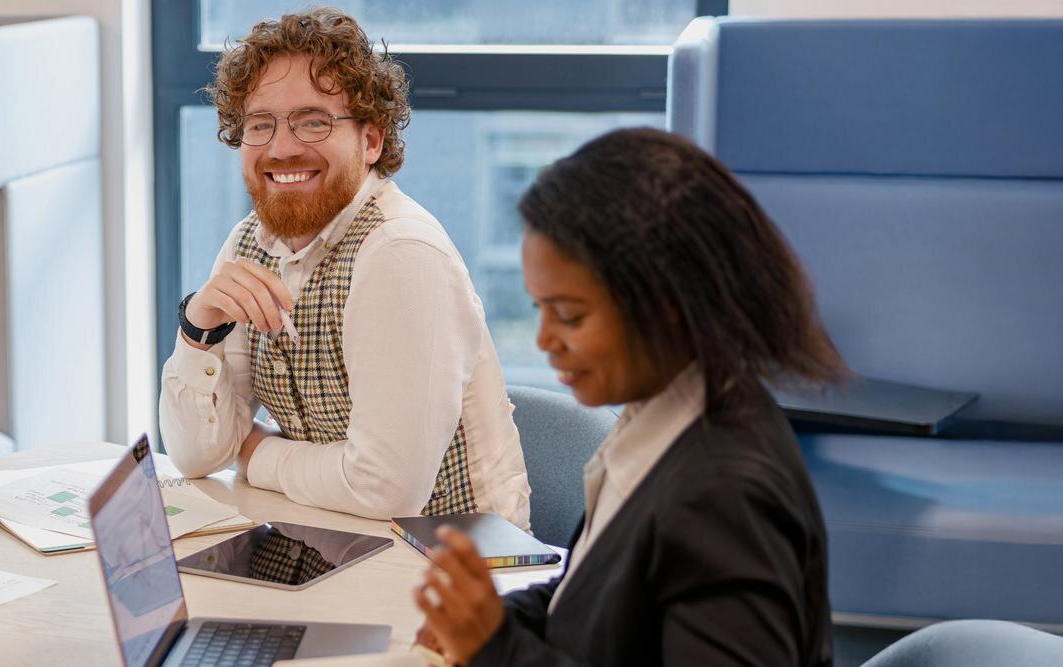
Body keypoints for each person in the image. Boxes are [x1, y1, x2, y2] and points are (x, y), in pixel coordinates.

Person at [413, 127, 843, 665]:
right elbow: (587, 600)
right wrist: (496, 621)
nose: (545, 339)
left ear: (668, 302)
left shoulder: (725, 498)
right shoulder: (670, 415)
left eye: (570, 316)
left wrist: (496, 648)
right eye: (540, 309)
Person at [160, 7, 530, 524]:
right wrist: (199, 328)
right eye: (260, 125)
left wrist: (254, 453)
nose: (282, 148)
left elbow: (385, 490)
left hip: (449, 558)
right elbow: (196, 456)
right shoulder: (249, 242)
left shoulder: (399, 251)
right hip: (326, 532)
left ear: (371, 140)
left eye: (313, 122)